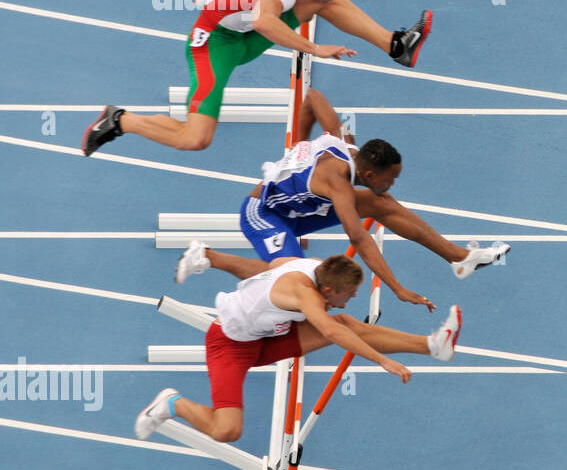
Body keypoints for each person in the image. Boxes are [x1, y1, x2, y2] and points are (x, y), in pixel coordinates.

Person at [81, 0, 431, 156]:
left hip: (243, 28)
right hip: (214, 44)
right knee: (195, 139)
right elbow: (265, 22)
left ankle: (396, 45)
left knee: (322, 4)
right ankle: (120, 120)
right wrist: (314, 48)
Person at [174, 88, 510, 310]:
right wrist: (397, 288)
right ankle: (206, 256)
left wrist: (296, 149)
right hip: (263, 212)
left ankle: (458, 258)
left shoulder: (344, 140)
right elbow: (359, 239)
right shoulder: (338, 184)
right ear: (370, 174)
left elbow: (312, 98)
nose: (392, 183)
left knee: (382, 204)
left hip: (298, 209)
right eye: (390, 178)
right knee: (293, 274)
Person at [134, 250, 462, 443]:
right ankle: (171, 403)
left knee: (346, 322)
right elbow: (330, 331)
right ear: (328, 289)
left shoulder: (311, 267)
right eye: (349, 293)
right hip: (229, 346)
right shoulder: (305, 294)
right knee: (227, 430)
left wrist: (213, 259)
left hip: (267, 336)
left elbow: (266, 266)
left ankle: (434, 346)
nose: (353, 297)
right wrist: (382, 361)